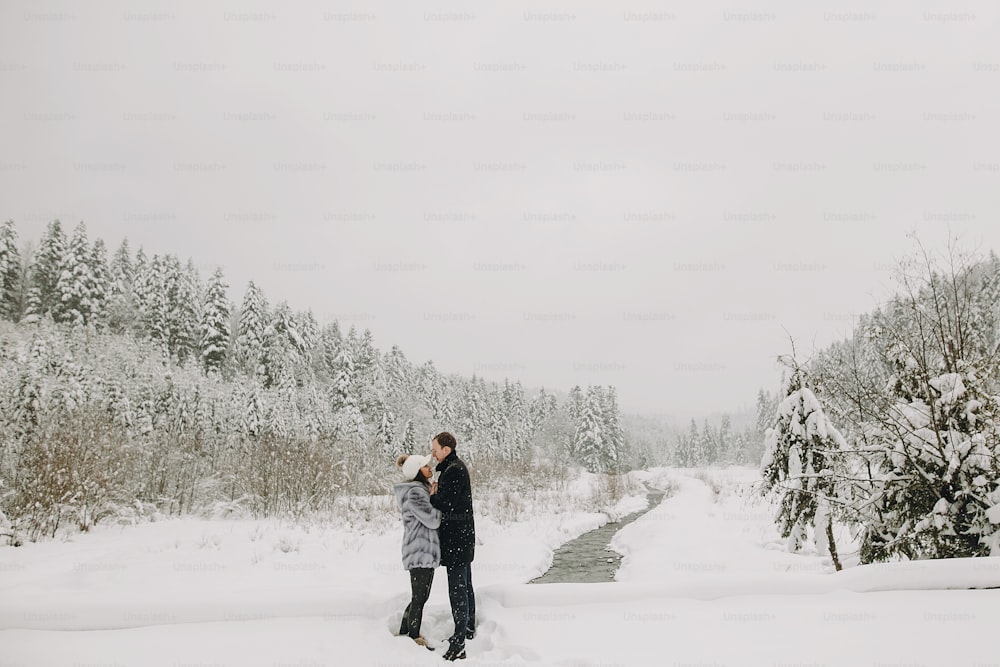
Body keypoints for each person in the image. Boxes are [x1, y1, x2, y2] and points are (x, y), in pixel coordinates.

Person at [429, 432, 476, 661]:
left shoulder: (453, 470)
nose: (433, 453)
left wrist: (432, 495)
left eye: (435, 449)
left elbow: (446, 504)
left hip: (457, 541)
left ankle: (459, 644)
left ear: (446, 450)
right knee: (465, 585)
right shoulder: (454, 468)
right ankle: (467, 628)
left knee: (458, 591)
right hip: (462, 539)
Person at [393, 453, 441, 650]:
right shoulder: (415, 493)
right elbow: (433, 519)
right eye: (425, 466)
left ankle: (405, 631)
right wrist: (437, 500)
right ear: (417, 471)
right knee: (420, 597)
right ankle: (414, 638)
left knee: (419, 596)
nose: (430, 468)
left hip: (422, 551)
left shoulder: (420, 490)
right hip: (420, 551)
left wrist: (432, 493)